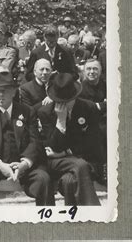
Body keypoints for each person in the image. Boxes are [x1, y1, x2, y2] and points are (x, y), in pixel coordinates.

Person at [0, 71, 54, 206]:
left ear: (14, 92)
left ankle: (47, 222)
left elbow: (35, 142)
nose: (0, 95)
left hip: (23, 165)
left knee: (43, 179)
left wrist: (25, 163)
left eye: (4, 90)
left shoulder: (27, 111)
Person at [37, 73, 104, 205]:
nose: (63, 105)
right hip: (56, 162)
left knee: (69, 181)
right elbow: (52, 146)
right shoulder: (45, 112)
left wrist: (65, 152)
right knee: (79, 165)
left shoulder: (88, 108)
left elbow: (93, 141)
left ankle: (74, 219)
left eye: (67, 101)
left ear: (75, 96)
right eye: (59, 101)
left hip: (84, 157)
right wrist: (60, 122)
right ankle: (93, 212)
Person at [79, 59, 107, 140]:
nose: (91, 71)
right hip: (88, 128)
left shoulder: (106, 86)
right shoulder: (79, 89)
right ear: (84, 72)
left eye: (95, 69)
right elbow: (85, 109)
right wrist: (103, 105)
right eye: (88, 69)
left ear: (100, 71)